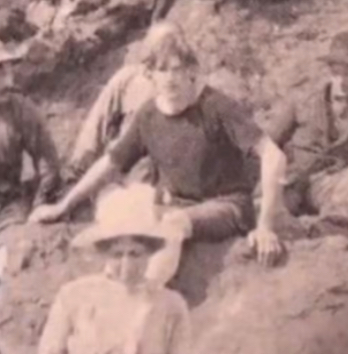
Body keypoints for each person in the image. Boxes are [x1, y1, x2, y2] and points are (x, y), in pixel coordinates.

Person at [30, 29, 287, 287]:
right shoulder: (149, 115)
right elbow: (110, 163)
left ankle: (147, 292)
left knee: (172, 223)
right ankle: (111, 286)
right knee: (118, 207)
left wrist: (265, 226)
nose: (170, 79)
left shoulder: (216, 106)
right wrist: (63, 207)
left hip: (226, 205)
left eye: (178, 70)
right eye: (163, 70)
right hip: (175, 204)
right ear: (150, 74)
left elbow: (273, 156)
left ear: (192, 72)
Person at [34, 186, 190, 354]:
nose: (127, 265)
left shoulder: (170, 305)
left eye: (135, 254)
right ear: (103, 252)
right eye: (117, 254)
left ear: (151, 251)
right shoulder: (74, 296)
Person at [0, 30, 61, 354]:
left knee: (12, 267)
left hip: (7, 208)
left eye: (7, 68)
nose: (7, 78)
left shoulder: (20, 109)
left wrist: (39, 206)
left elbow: (48, 164)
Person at [266, 31, 348, 217]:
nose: (340, 82)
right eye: (335, 74)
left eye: (347, 75)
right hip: (293, 184)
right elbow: (267, 143)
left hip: (332, 189)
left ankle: (331, 220)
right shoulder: (302, 102)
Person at [66, 22, 182, 183]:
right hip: (121, 166)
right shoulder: (129, 78)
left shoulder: (187, 88)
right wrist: (81, 163)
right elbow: (98, 121)